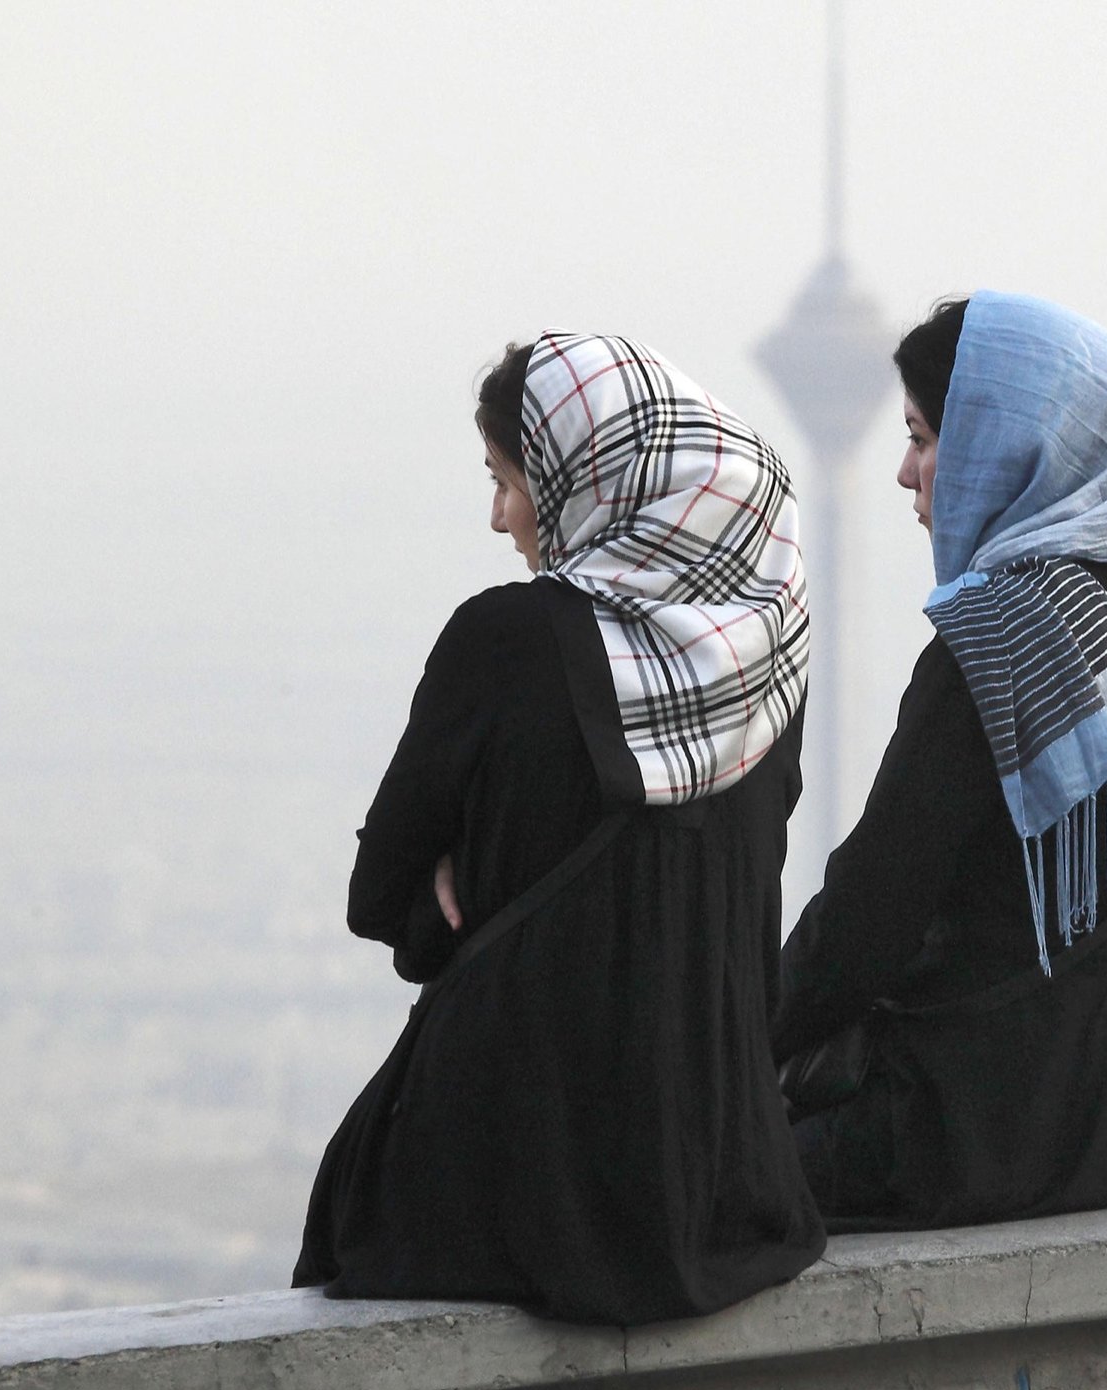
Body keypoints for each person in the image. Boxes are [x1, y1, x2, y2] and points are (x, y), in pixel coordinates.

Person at [294, 331, 825, 1324]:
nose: (499, 517)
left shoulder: (505, 640)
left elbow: (379, 900)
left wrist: (455, 883)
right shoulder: (769, 666)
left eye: (510, 480)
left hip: (511, 1190)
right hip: (723, 1184)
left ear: (593, 481)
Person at [774, 292, 1107, 1232]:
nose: (904, 472)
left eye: (927, 437)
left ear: (1004, 447)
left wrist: (726, 1048)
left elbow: (866, 920)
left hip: (985, 1135)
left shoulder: (1004, 640)